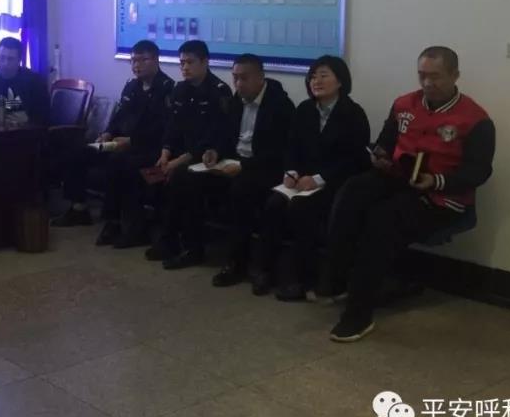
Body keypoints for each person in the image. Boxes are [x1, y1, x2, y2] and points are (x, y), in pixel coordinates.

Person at [319, 46, 495, 343]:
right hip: (399, 179)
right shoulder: (404, 105)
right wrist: (380, 156)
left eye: (435, 76)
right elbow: (386, 143)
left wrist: (435, 181)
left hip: (442, 197)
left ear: (455, 75)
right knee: (352, 191)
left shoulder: (475, 119)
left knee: (381, 219)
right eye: (422, 75)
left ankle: (358, 315)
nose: (427, 83)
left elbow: (479, 172)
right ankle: (336, 277)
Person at [255, 55, 370, 300]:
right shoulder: (304, 110)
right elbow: (291, 147)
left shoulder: (353, 114)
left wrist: (318, 179)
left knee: (301, 208)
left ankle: (303, 279)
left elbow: (354, 160)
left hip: (335, 184)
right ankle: (266, 270)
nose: (316, 81)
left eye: (324, 75)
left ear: (340, 81)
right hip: (300, 182)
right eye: (313, 76)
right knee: (273, 204)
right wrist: (291, 171)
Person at [50, 40, 174, 247]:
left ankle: (118, 223)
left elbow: (164, 129)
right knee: (78, 152)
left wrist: (132, 141)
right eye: (133, 61)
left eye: (142, 60)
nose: (136, 65)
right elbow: (120, 116)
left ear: (155, 60)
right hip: (120, 144)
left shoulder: (167, 89)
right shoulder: (132, 86)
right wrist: (107, 133)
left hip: (149, 149)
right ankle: (79, 209)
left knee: (119, 163)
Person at [204, 54, 296, 287]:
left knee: (242, 190)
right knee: (191, 179)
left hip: (265, 168)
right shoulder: (236, 100)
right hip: (236, 162)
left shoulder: (280, 105)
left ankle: (241, 264)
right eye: (235, 78)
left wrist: (243, 166)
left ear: (260, 78)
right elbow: (226, 135)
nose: (238, 84)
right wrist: (215, 151)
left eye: (244, 78)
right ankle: (192, 248)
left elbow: (279, 152)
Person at [145, 39, 233, 269]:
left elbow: (213, 137)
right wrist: (165, 153)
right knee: (152, 171)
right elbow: (172, 127)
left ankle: (193, 248)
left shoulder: (219, 91)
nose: (184, 67)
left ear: (205, 62)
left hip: (207, 158)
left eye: (190, 62)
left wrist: (177, 162)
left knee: (182, 179)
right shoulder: (180, 90)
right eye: (181, 63)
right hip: (180, 156)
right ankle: (166, 238)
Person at [0, 37, 50, 126]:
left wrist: (28, 120)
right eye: (2, 58)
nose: (5, 63)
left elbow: (46, 117)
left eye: (10, 59)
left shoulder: (35, 82)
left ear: (19, 60)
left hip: (26, 132)